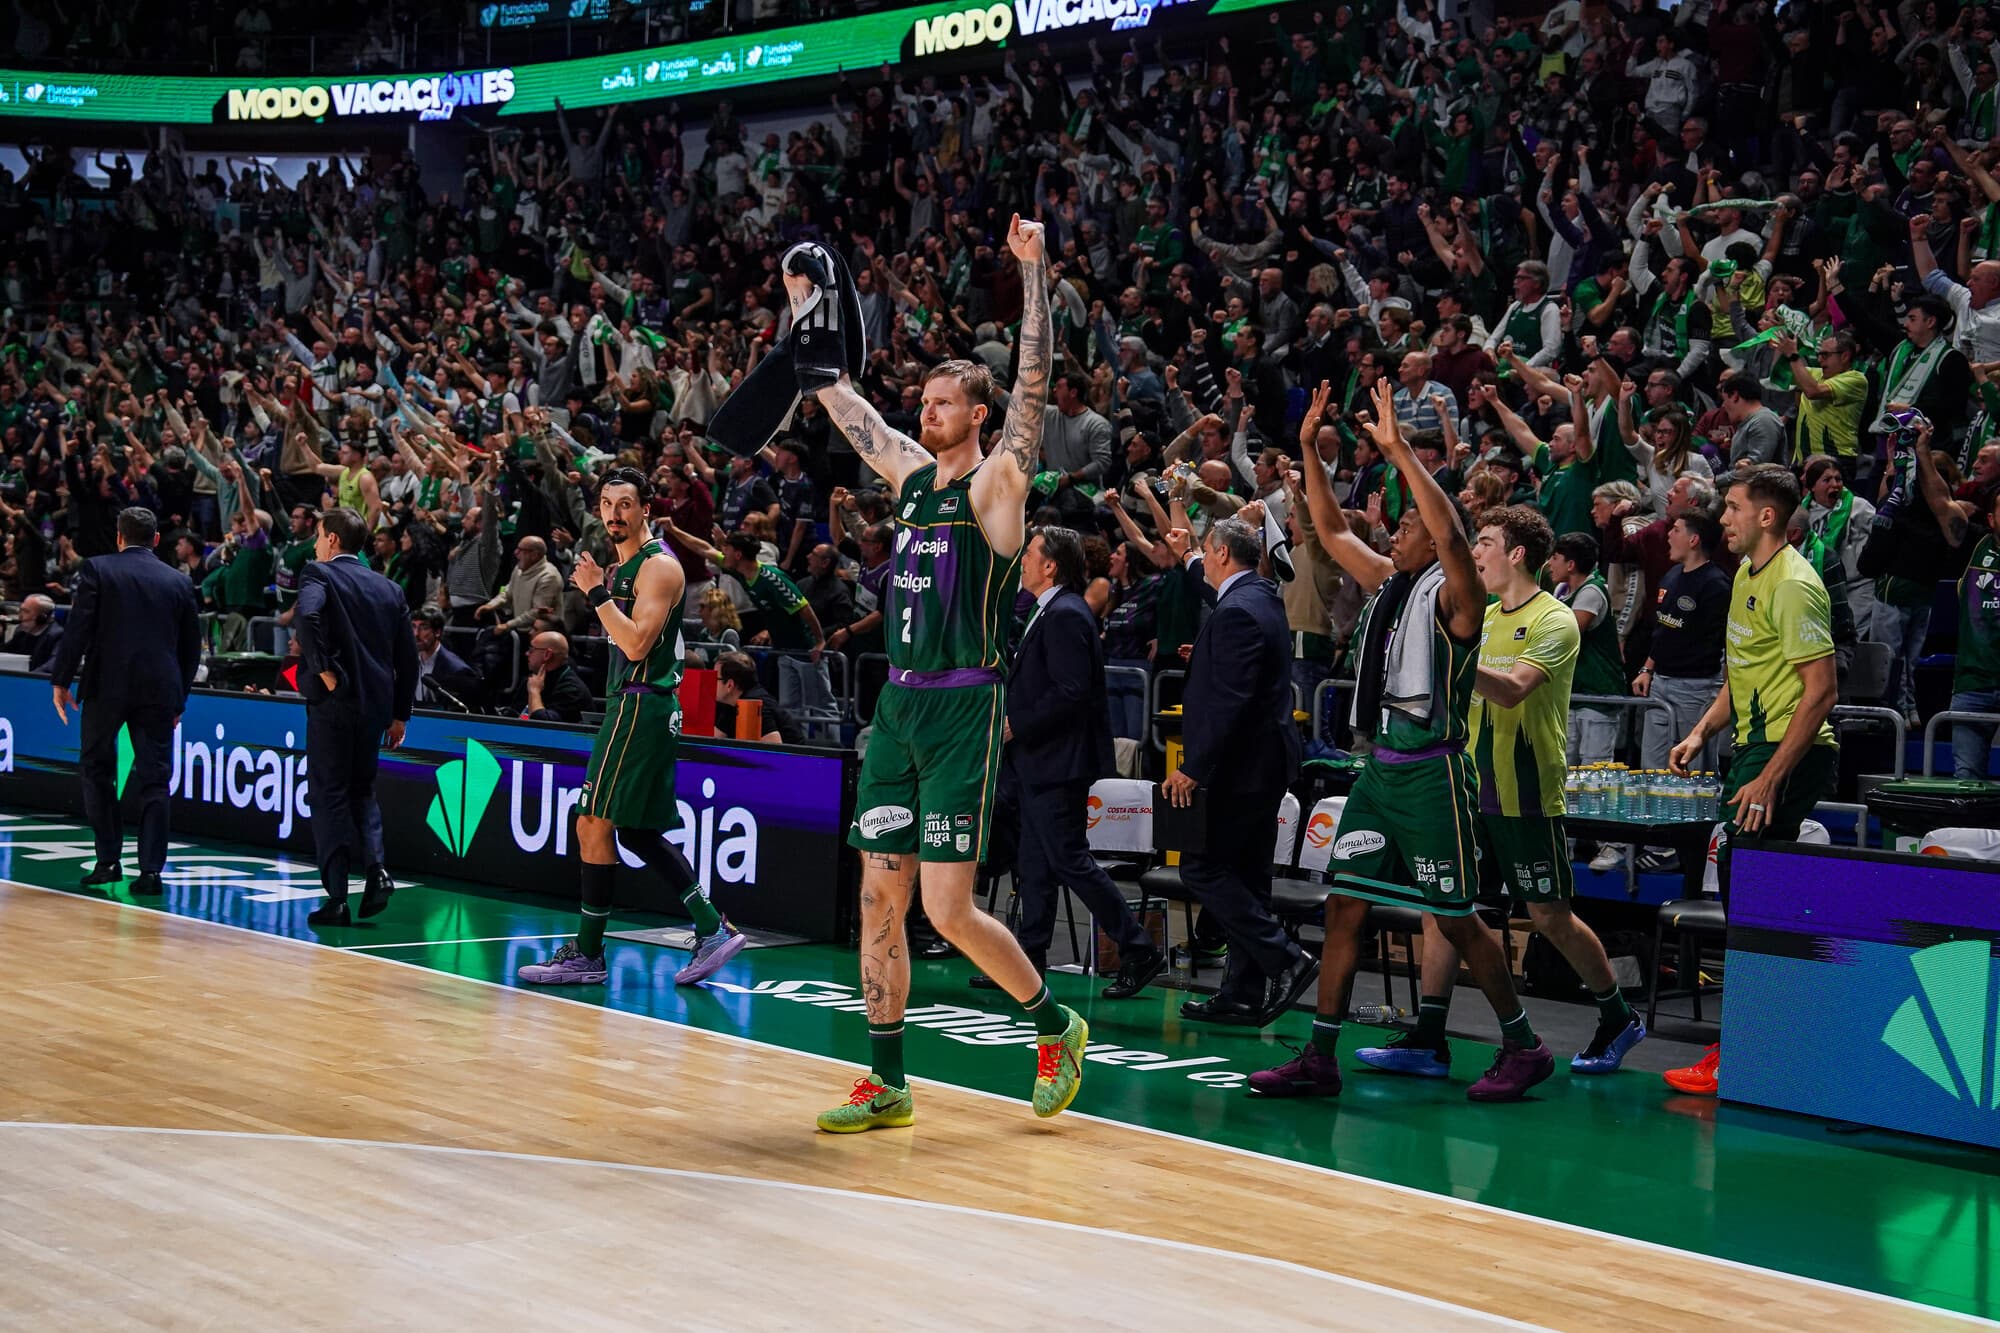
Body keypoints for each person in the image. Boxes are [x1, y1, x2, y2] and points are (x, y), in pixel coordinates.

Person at [807, 215, 1088, 1133]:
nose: (924, 413)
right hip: (898, 705)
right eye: (921, 402)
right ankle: (886, 1079)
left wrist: (1033, 274)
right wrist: (808, 318)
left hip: (966, 706)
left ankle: (1055, 1023)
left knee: (947, 906)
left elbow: (1034, 387)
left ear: (977, 415)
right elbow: (852, 412)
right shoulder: (914, 479)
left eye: (941, 403)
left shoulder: (995, 487)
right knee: (877, 898)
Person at [1253, 380, 1555, 1102]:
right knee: (1343, 905)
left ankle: (1524, 1045)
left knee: (1455, 917)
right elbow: (1331, 533)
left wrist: (1400, 454)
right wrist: (1308, 449)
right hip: (1380, 773)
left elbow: (1450, 534)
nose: (1396, 529)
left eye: (1408, 523)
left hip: (1433, 776)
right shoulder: (1392, 581)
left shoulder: (1458, 595)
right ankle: (1320, 1055)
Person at [1354, 505, 1646, 1080]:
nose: (1473, 553)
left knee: (1549, 916)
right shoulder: (1481, 615)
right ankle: (1429, 1038)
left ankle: (1618, 1016)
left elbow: (1513, 690)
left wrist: (1450, 658)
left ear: (1516, 553)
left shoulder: (1555, 619)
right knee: (1444, 909)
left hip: (1525, 790)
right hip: (1465, 785)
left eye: (1484, 542)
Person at [517, 467, 749, 988]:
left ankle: (589, 953)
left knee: (592, 822)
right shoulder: (626, 567)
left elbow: (638, 645)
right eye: (606, 503)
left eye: (625, 504)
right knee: (638, 830)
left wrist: (596, 593)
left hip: (641, 704)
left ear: (646, 508)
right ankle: (711, 927)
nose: (614, 514)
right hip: (637, 703)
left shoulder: (658, 567)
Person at [1664, 465, 1839, 1097]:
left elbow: (1822, 692)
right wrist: (1700, 731)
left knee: (1752, 897)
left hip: (1786, 751)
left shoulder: (1794, 585)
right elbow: (1743, 675)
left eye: (1733, 507)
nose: (1724, 518)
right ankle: (1764, 1042)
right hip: (1751, 747)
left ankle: (1750, 1047)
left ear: (1768, 516)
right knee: (1747, 895)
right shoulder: (1745, 574)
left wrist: (1768, 779)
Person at [976, 525, 1165, 1000]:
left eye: (1029, 554)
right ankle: (1027, 961)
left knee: (1069, 860)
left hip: (1058, 763)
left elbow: (1071, 691)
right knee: (1034, 864)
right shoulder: (1053, 610)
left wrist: (1018, 725)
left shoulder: (1065, 614)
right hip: (1041, 762)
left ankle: (1138, 947)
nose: (1022, 561)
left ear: (1050, 565)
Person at [1161, 513, 1315, 1026]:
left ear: (1223, 554)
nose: (1204, 560)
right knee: (1248, 880)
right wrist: (1186, 554)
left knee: (1201, 868)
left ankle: (1286, 958)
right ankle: (1243, 994)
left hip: (1240, 767)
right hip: (1263, 765)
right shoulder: (1261, 596)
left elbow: (1230, 699)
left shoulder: (1237, 612)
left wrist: (1194, 767)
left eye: (1207, 551)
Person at [47, 506, 201, 896]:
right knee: (155, 779)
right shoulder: (179, 581)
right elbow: (191, 650)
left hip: (106, 687)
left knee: (97, 770)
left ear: (118, 536)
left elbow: (78, 629)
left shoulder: (98, 569)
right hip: (159, 691)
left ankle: (107, 861)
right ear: (155, 540)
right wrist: (179, 699)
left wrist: (61, 679)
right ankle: (151, 872)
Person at [292, 506, 418, 925]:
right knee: (362, 791)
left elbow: (307, 616)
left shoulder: (318, 574)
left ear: (331, 539)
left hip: (335, 702)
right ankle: (378, 870)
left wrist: (324, 669)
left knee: (328, 794)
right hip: (376, 707)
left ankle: (338, 897)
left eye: (318, 536)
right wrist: (400, 714)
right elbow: (408, 658)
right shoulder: (388, 588)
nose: (315, 545)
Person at [714, 649, 803, 743]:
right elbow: (713, 739)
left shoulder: (755, 705)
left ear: (729, 685)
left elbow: (774, 747)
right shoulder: (731, 703)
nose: (711, 682)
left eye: (715, 678)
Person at [411, 606, 481, 708]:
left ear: (437, 632)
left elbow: (462, 710)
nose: (416, 634)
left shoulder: (456, 669)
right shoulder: (408, 662)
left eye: (424, 628)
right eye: (413, 627)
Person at [515, 630, 593, 723]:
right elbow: (515, 713)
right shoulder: (534, 679)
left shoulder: (571, 689)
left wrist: (534, 692)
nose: (527, 653)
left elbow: (543, 725)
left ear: (547, 654)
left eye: (532, 650)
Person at [5, 593, 62, 672]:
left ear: (42, 618)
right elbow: (5, 652)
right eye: (21, 610)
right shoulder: (21, 632)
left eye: (26, 611)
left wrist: (27, 677)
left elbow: (52, 666)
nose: (20, 615)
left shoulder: (58, 636)